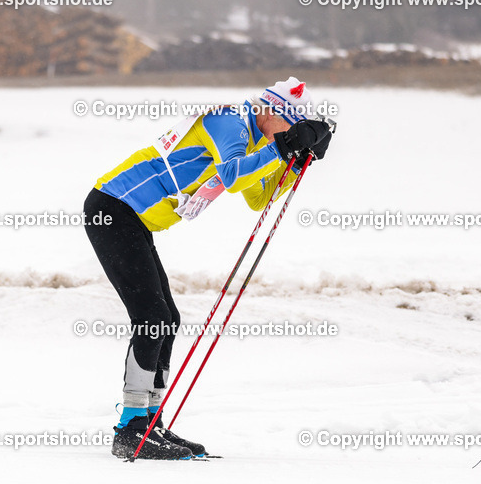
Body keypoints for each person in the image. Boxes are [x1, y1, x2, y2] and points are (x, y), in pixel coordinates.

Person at [83, 78, 334, 460]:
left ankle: (150, 423)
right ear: (272, 112)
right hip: (112, 209)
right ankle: (130, 429)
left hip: (135, 220)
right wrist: (285, 147)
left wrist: (298, 162)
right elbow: (233, 176)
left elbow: (258, 197)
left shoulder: (256, 141)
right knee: (152, 316)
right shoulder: (229, 120)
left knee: (168, 317)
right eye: (290, 126)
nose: (289, 133)